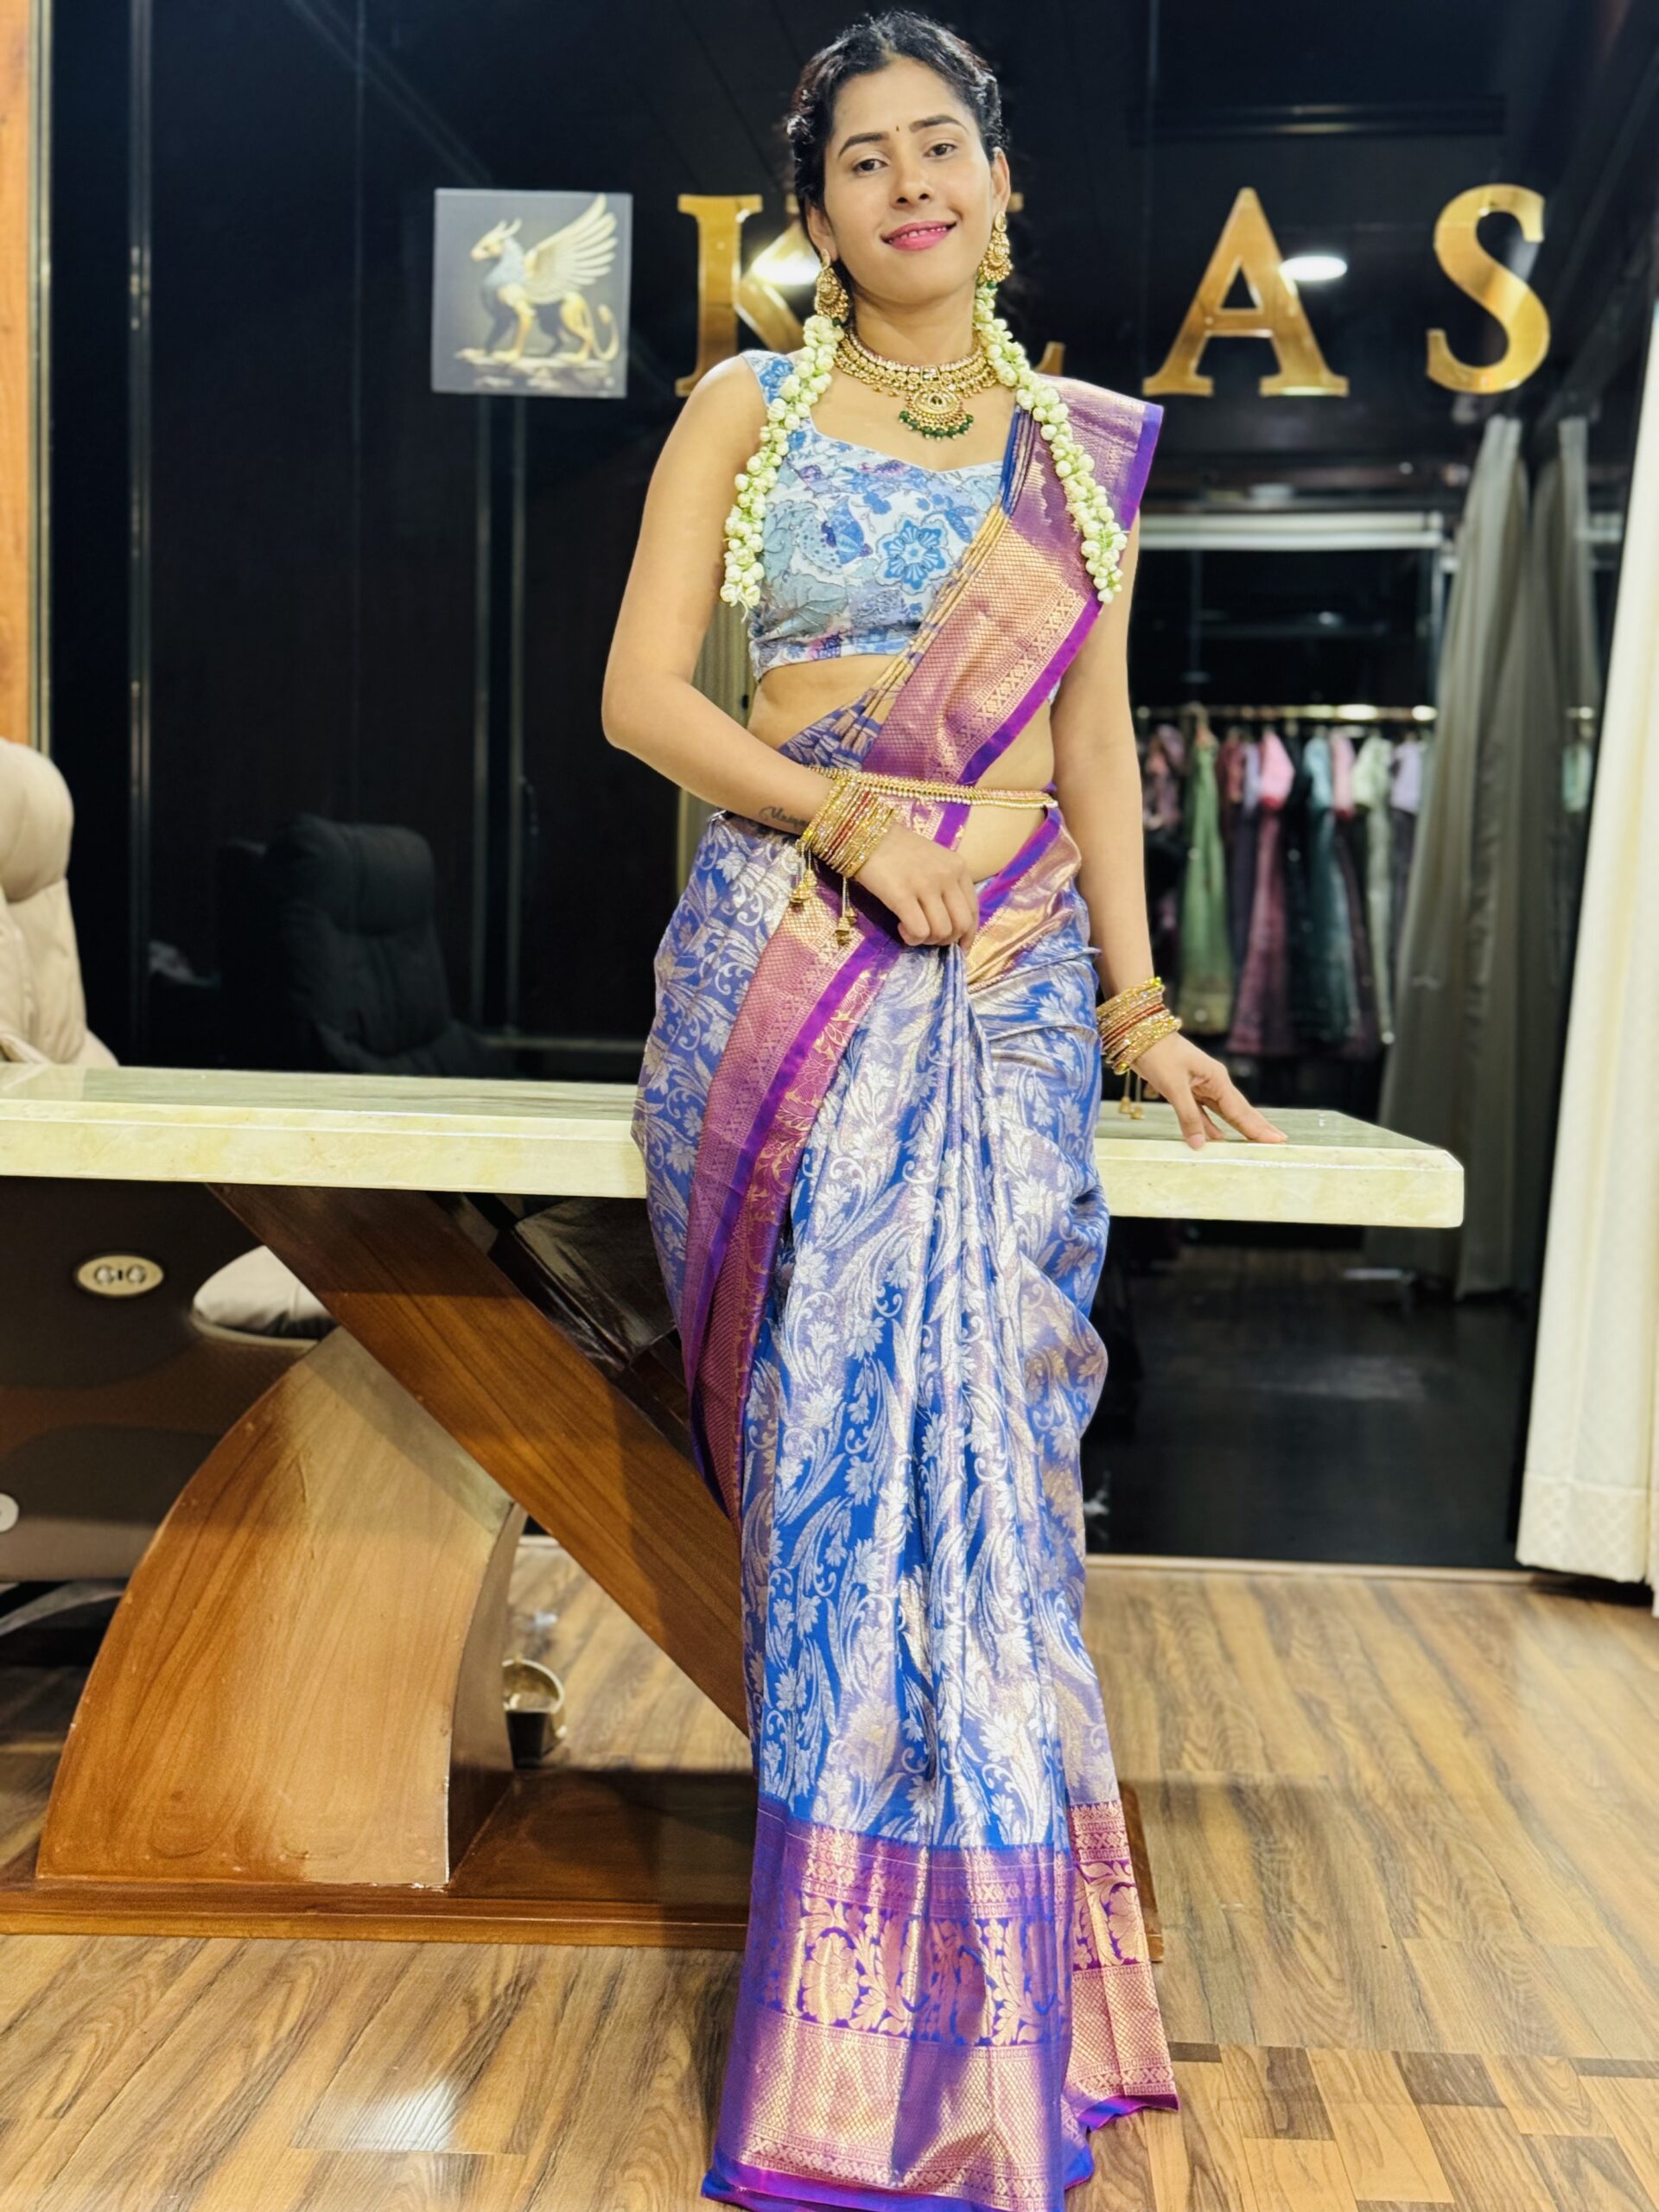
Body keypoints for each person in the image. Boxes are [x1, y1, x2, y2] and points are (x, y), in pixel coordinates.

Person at [605, 14, 1287, 2208]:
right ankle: (844, 2049)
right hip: (798, 967)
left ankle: (1000, 2019)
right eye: (863, 161)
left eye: (942, 147)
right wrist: (846, 822)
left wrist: (1147, 1012)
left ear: (1002, 186)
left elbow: (1091, 751)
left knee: (994, 1483)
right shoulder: (745, 406)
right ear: (816, 218)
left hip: (1002, 1006)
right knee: (837, 1477)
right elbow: (641, 700)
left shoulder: (1075, 456)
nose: (909, 184)